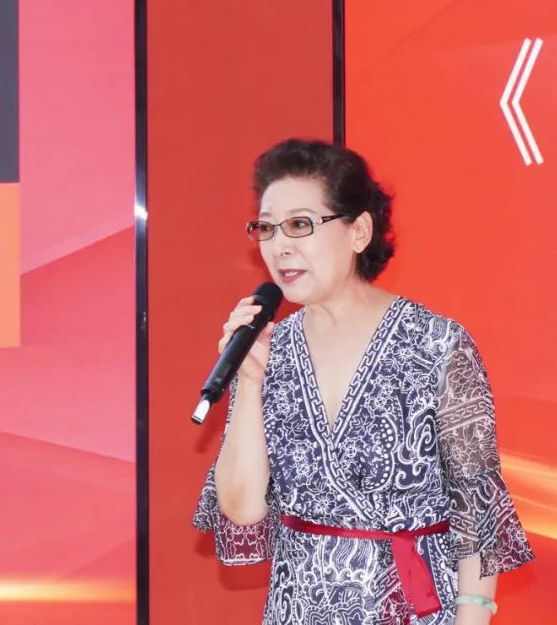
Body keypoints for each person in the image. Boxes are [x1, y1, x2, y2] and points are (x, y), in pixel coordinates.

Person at [193, 139, 533, 624]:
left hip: (411, 609)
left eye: (299, 224)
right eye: (266, 228)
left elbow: (476, 508)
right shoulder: (271, 349)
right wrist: (248, 382)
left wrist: (473, 615)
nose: (279, 245)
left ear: (359, 232)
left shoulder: (435, 344)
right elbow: (243, 508)